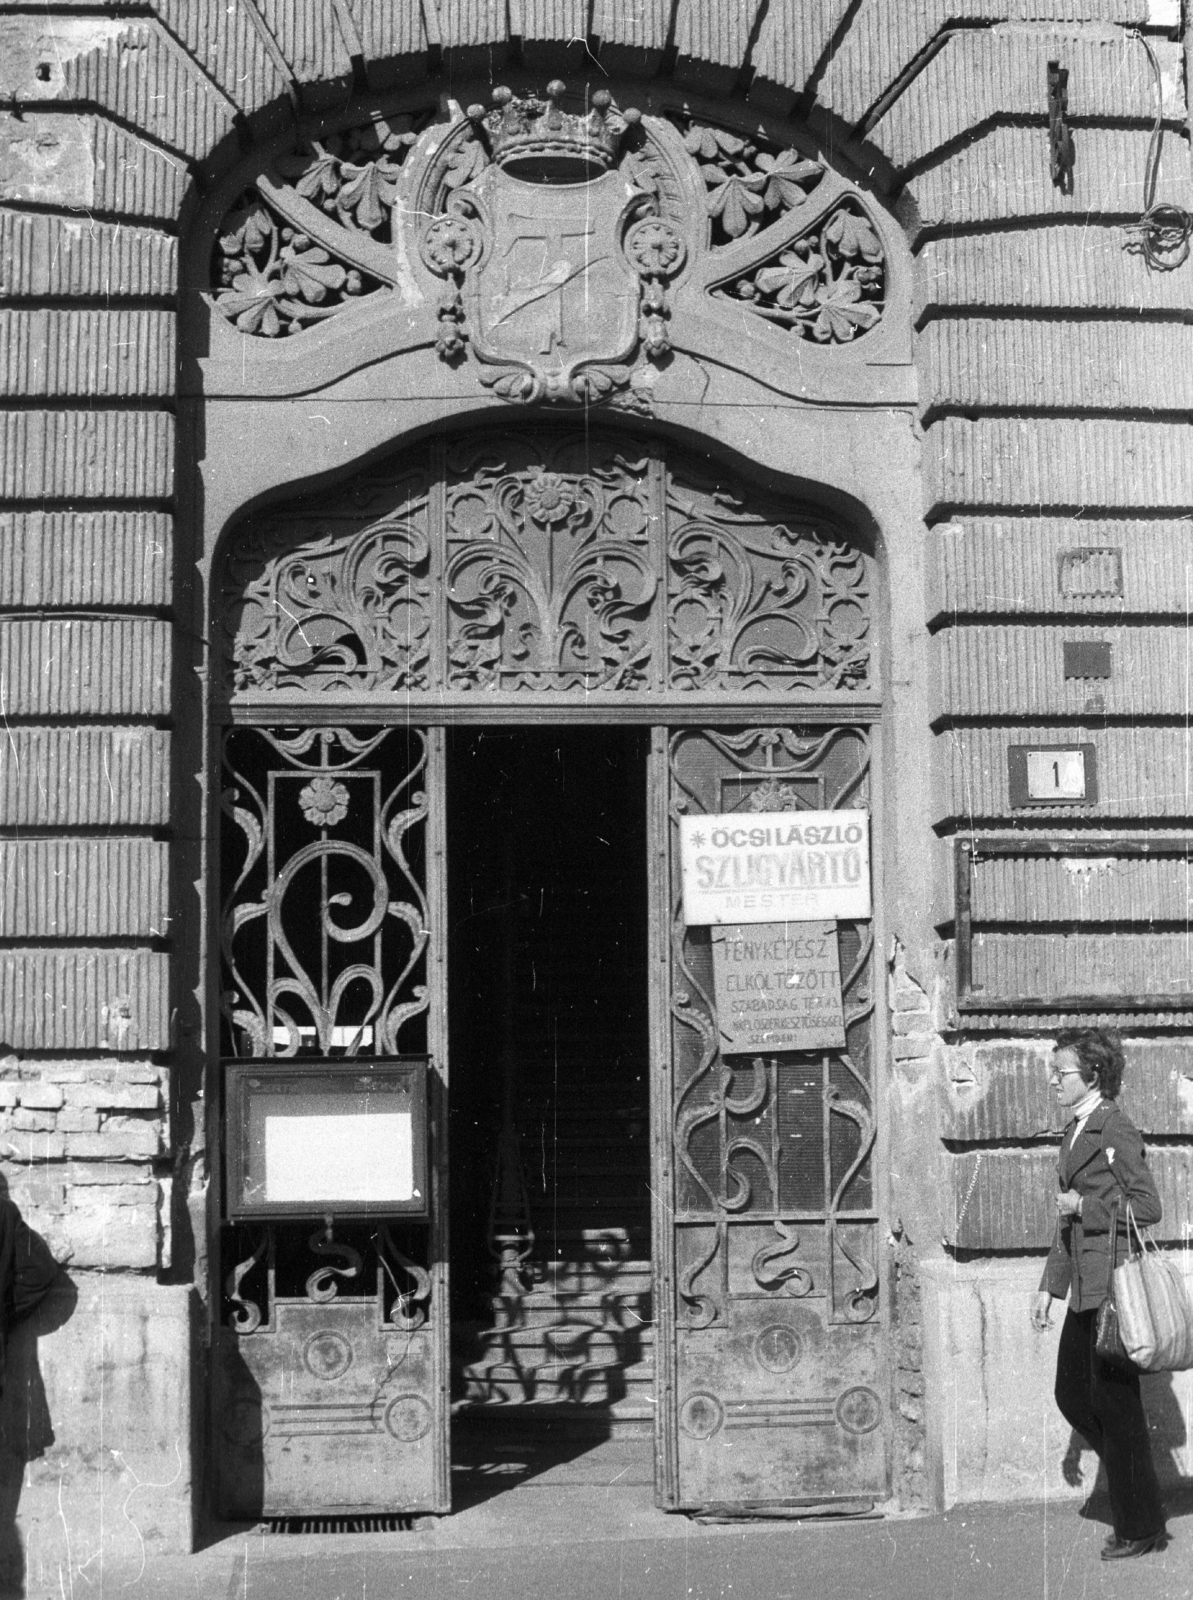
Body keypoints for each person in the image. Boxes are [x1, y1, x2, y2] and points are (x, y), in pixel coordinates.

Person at [1031, 1028, 1167, 1560]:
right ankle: (1140, 1500)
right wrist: (1050, 1288)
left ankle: (1140, 1524)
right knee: (1073, 1394)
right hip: (1084, 1290)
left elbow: (1148, 1208)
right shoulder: (1076, 1130)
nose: (1053, 1080)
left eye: (1060, 1072)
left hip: (1114, 1290)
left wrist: (1084, 1209)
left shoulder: (1115, 1127)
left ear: (1093, 1075)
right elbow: (1066, 1228)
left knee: (1117, 1407)